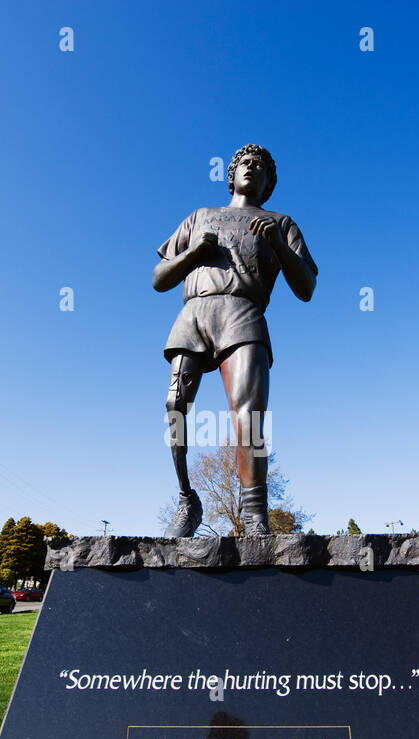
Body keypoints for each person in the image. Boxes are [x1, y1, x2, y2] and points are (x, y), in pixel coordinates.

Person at [154, 144, 317, 536]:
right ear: (231, 174)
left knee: (249, 415)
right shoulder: (201, 216)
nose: (252, 168)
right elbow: (160, 278)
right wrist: (194, 253)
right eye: (245, 162)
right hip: (194, 313)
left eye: (261, 166)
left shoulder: (280, 222)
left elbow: (307, 287)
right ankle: (186, 498)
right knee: (175, 406)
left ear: (268, 183)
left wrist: (278, 244)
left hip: (243, 314)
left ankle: (255, 514)